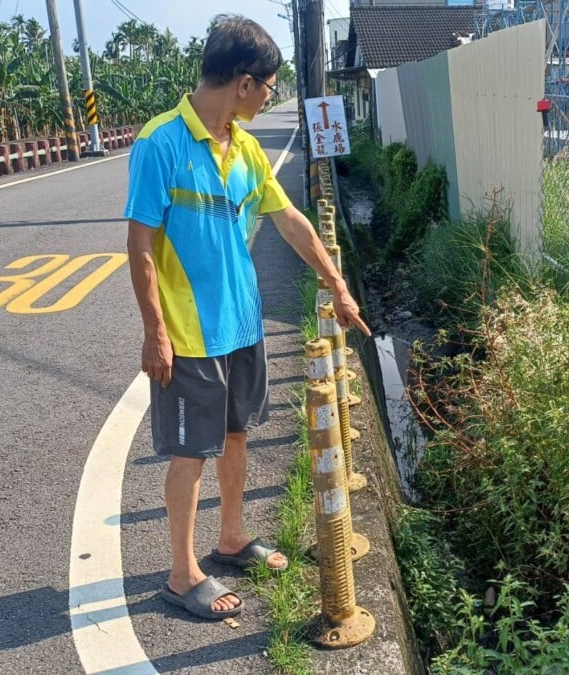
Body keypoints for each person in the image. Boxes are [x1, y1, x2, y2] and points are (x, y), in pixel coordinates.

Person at [124, 14, 370, 620]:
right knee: (190, 453)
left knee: (236, 435)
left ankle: (230, 537)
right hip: (188, 336)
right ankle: (182, 575)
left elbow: (290, 220)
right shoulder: (162, 144)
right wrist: (155, 332)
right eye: (268, 86)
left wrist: (336, 282)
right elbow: (139, 245)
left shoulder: (247, 147)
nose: (269, 96)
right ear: (242, 81)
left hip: (241, 325)